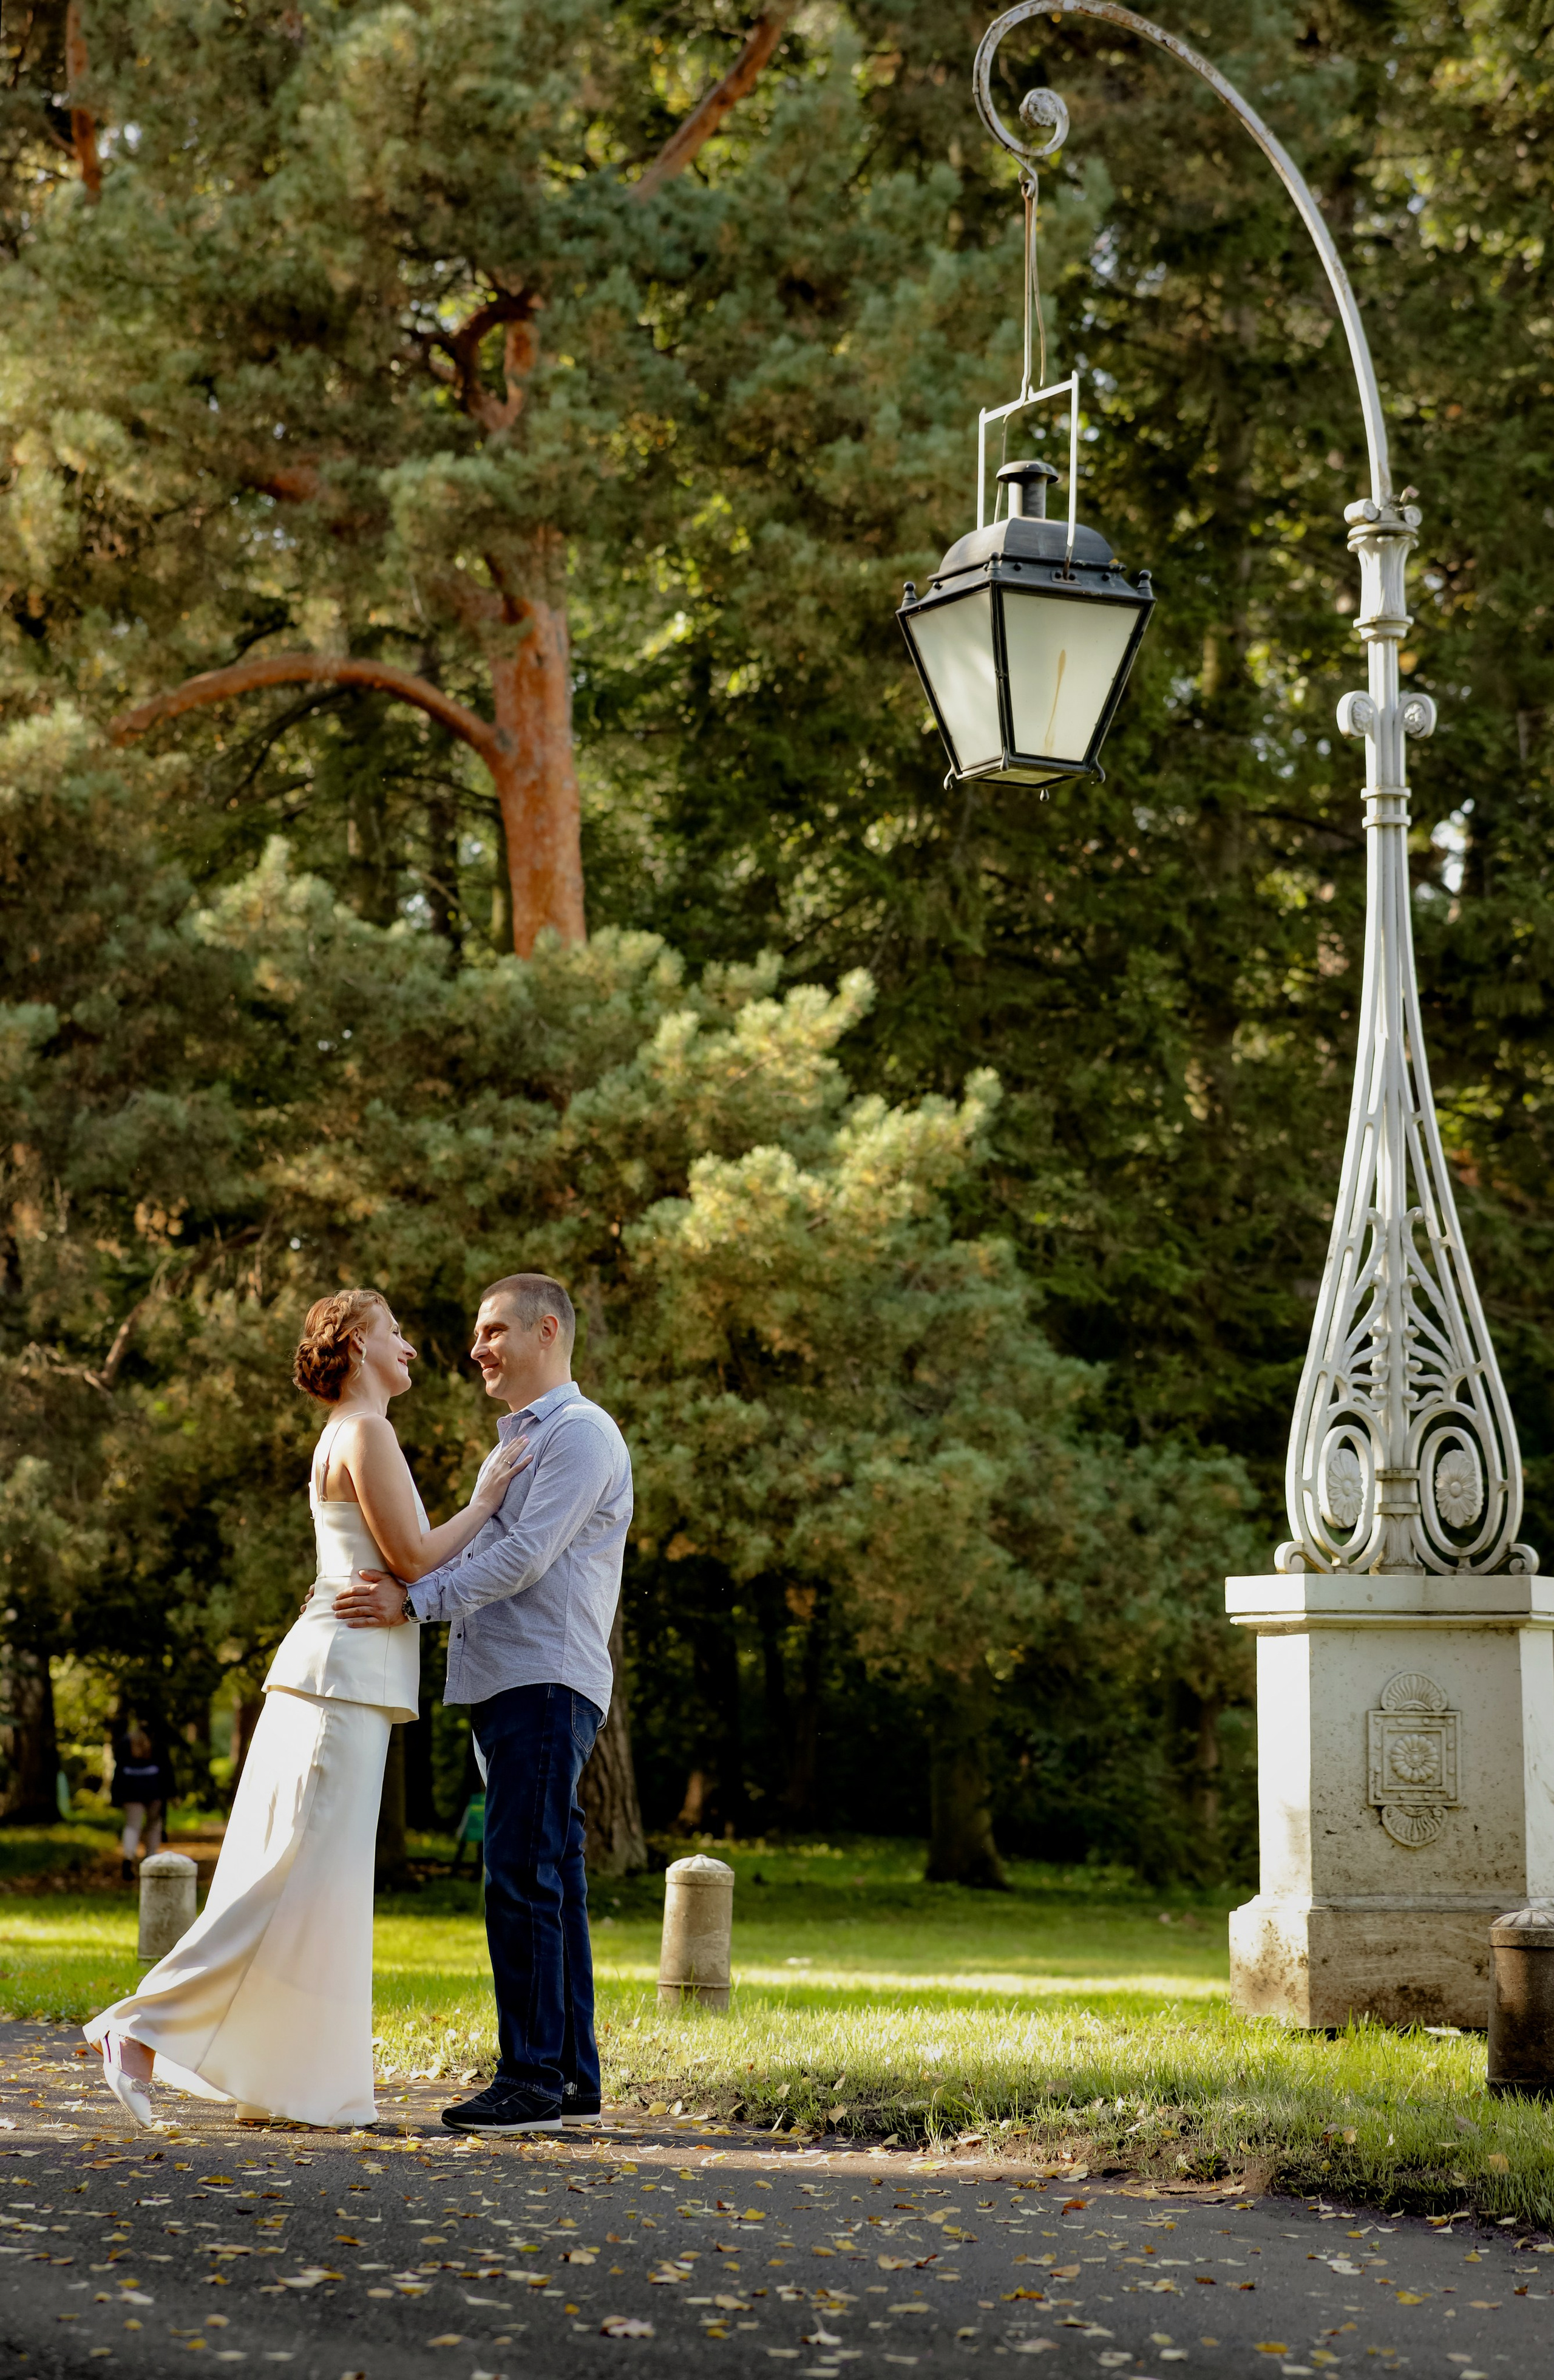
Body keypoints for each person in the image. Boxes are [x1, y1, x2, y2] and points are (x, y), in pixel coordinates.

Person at [83, 1288, 527, 2131]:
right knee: (282, 1878)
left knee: (315, 1890)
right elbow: (414, 1557)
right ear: (358, 1343)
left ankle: (287, 2083)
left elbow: (388, 1568)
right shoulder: (366, 1431)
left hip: (338, 1672)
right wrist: (488, 1498)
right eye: (397, 1333)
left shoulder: (344, 1434)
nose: (413, 1349)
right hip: (340, 1683)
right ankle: (136, 2030)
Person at [337, 1271, 633, 2138]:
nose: (476, 1349)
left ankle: (530, 2078)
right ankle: (571, 2076)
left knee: (521, 1875)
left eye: (494, 1331)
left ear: (549, 1332)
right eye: (476, 1334)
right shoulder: (516, 1447)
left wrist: (411, 1604)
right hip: (513, 1682)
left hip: (545, 1680)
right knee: (550, 1876)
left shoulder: (579, 1434)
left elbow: (527, 1560)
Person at [109, 1725, 176, 1883]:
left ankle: (128, 1856)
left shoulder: (125, 1743)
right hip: (154, 1791)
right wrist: (172, 1793)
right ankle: (150, 1859)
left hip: (131, 1791)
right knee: (154, 1825)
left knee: (132, 1826)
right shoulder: (157, 1744)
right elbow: (167, 1770)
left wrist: (116, 1795)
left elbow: (118, 1770)